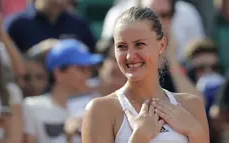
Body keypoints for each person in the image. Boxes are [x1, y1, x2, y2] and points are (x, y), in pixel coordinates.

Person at [82, 7, 209, 143]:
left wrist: (196, 133)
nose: (130, 56)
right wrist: (139, 137)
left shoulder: (192, 105)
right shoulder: (100, 110)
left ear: (162, 45)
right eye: (122, 46)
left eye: (139, 44)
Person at [23, 39, 103, 143]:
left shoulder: (96, 104)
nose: (87, 74)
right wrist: (67, 137)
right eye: (81, 68)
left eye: (89, 69)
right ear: (59, 73)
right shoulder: (32, 106)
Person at [3, 0, 96, 53]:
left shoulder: (80, 24)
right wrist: (37, 52)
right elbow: (5, 64)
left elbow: (93, 64)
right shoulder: (16, 24)